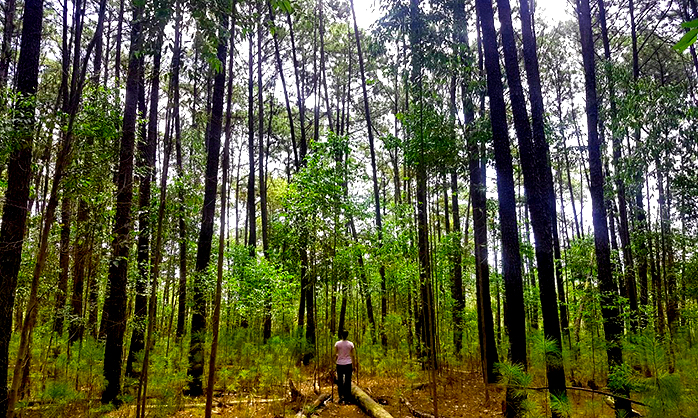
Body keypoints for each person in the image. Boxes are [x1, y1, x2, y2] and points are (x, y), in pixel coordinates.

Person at [334, 329, 356, 404]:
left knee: (340, 381)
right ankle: (348, 398)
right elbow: (352, 355)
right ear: (347, 335)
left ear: (341, 335)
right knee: (347, 381)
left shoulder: (337, 344)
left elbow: (335, 354)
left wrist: (334, 361)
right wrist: (354, 364)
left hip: (339, 364)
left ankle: (341, 397)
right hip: (348, 364)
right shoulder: (350, 344)